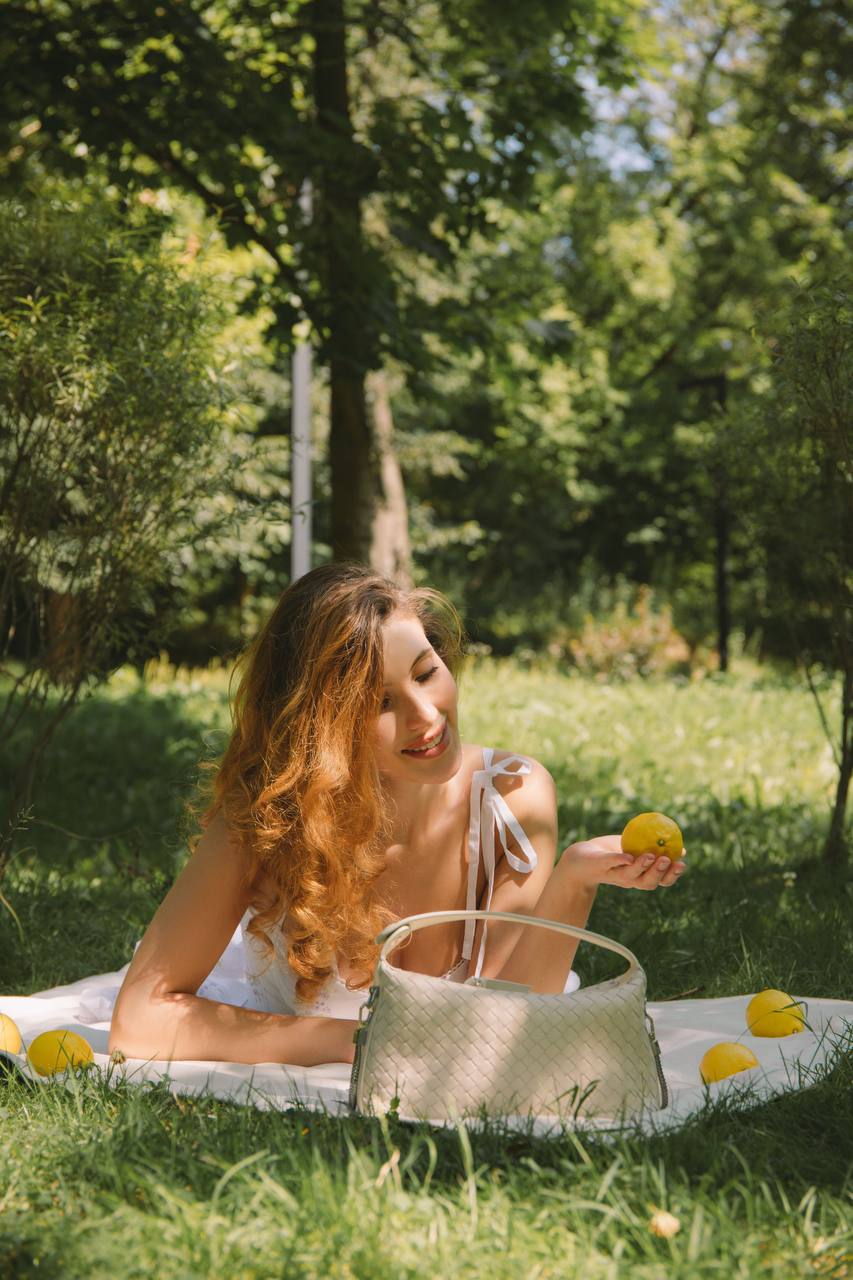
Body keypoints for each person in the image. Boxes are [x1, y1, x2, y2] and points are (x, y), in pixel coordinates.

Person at [108, 564, 685, 1069]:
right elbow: (139, 1019)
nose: (426, 715)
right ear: (320, 729)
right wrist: (361, 1039)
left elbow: (510, 1025)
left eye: (427, 672)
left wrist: (575, 880)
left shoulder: (512, 799)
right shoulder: (267, 817)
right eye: (381, 703)